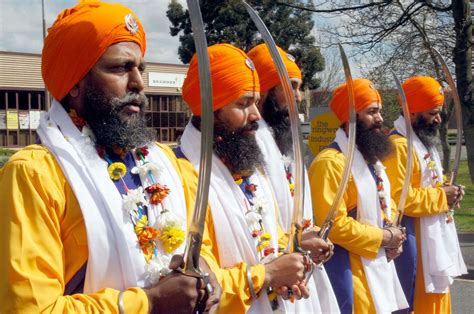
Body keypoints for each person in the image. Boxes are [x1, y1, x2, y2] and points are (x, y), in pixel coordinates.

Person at [0, 1, 221, 312]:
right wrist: (149, 302)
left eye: (140, 68)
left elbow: (199, 246)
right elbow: (31, 308)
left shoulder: (164, 162)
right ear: (74, 83)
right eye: (119, 68)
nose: (139, 83)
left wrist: (206, 276)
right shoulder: (35, 174)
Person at [176, 43, 314, 313]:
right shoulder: (184, 174)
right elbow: (197, 279)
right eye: (243, 104)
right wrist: (268, 275)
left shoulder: (251, 166)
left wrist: (289, 265)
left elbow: (271, 237)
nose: (256, 115)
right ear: (210, 108)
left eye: (255, 101)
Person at [247, 43, 340, 313]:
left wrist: (309, 236)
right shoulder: (249, 143)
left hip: (301, 268)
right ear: (264, 90)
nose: (299, 97)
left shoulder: (284, 138)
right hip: (272, 272)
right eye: (291, 87)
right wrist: (296, 244)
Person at [308, 78, 409, 313]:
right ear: (350, 117)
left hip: (379, 267)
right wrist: (384, 237)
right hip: (350, 274)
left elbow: (386, 204)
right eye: (372, 112)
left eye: (380, 111)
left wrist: (396, 237)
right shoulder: (330, 163)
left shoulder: (371, 161)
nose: (380, 119)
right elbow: (331, 226)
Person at [384, 76, 467, 313]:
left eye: (438, 112)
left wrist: (449, 192)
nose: (439, 119)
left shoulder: (422, 143)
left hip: (433, 238)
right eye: (433, 113)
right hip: (414, 243)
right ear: (411, 112)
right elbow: (400, 199)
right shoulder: (398, 146)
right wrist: (443, 197)